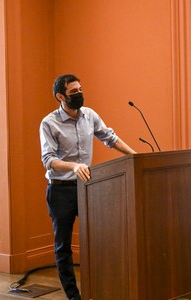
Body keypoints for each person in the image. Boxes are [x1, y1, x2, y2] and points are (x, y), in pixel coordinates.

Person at [39, 74, 136, 300]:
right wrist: (73, 166)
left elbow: (110, 138)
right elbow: (48, 159)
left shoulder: (89, 116)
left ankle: (99, 290)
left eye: (80, 89)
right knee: (63, 246)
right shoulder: (49, 122)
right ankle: (74, 297)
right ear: (60, 97)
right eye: (74, 92)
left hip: (87, 187)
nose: (79, 94)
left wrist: (136, 158)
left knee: (99, 239)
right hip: (60, 190)